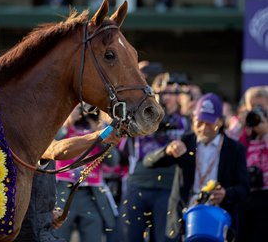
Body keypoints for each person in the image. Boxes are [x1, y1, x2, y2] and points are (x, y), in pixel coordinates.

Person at [143, 93, 249, 241]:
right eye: (200, 122)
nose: (204, 128)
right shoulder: (185, 141)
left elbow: (244, 188)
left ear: (220, 121)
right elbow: (148, 162)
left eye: (210, 123)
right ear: (193, 119)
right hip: (184, 218)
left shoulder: (234, 149)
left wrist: (226, 193)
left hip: (218, 219)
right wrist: (167, 151)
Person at [118, 72, 189, 242]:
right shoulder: (139, 116)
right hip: (138, 185)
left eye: (172, 94)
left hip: (168, 188)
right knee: (131, 237)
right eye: (163, 93)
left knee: (165, 238)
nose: (167, 98)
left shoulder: (185, 122)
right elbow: (122, 148)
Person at [54, 104, 120, 242]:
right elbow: (50, 148)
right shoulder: (62, 127)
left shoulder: (99, 131)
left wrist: (103, 134)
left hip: (91, 195)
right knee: (57, 236)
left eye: (90, 111)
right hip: (63, 192)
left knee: (93, 236)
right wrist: (67, 122)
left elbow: (113, 162)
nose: (85, 114)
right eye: (80, 109)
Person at [238, 86, 268, 242]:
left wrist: (266, 132)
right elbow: (231, 149)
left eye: (261, 107)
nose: (256, 111)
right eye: (253, 107)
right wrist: (241, 126)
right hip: (246, 191)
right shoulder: (243, 128)